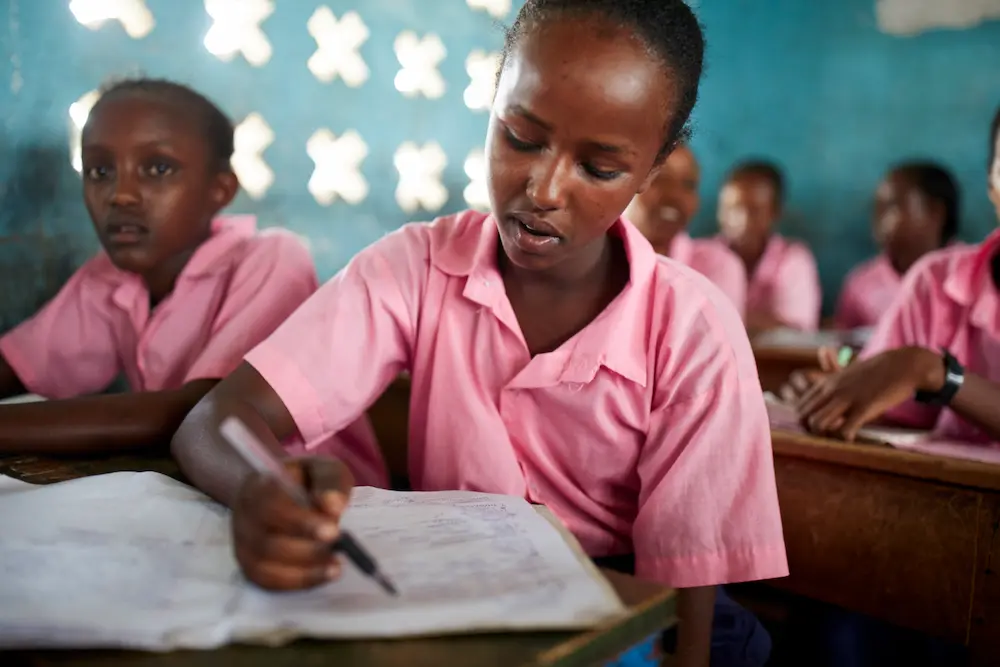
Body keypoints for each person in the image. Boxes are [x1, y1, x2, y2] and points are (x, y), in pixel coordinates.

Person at [171, 2, 787, 666]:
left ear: (653, 166)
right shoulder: (416, 267)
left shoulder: (694, 328)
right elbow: (215, 419)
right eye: (520, 136)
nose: (543, 188)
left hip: (633, 605)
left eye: (599, 168)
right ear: (493, 100)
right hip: (464, 599)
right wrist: (257, 492)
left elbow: (681, 602)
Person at [0, 78, 318, 455]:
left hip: (324, 498)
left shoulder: (273, 259)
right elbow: (18, 365)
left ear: (220, 190)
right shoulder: (110, 278)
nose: (121, 195)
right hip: (200, 487)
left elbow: (201, 412)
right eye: (100, 171)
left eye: (158, 169)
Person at [796, 105, 1000, 447]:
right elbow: (898, 408)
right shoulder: (935, 283)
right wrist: (841, 390)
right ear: (992, 188)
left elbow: (922, 370)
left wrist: (936, 372)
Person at [835, 162, 961, 330]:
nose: (879, 219)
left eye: (891, 207)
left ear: (935, 211)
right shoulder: (861, 284)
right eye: (876, 209)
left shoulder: (971, 276)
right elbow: (843, 350)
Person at [626, 143, 747, 314]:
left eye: (688, 184)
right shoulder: (591, 261)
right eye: (659, 179)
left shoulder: (716, 266)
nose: (675, 195)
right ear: (620, 187)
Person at [715, 160, 821, 333]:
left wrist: (726, 314)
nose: (740, 221)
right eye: (731, 208)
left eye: (754, 211)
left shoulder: (794, 259)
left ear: (775, 212)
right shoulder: (704, 256)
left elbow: (798, 331)